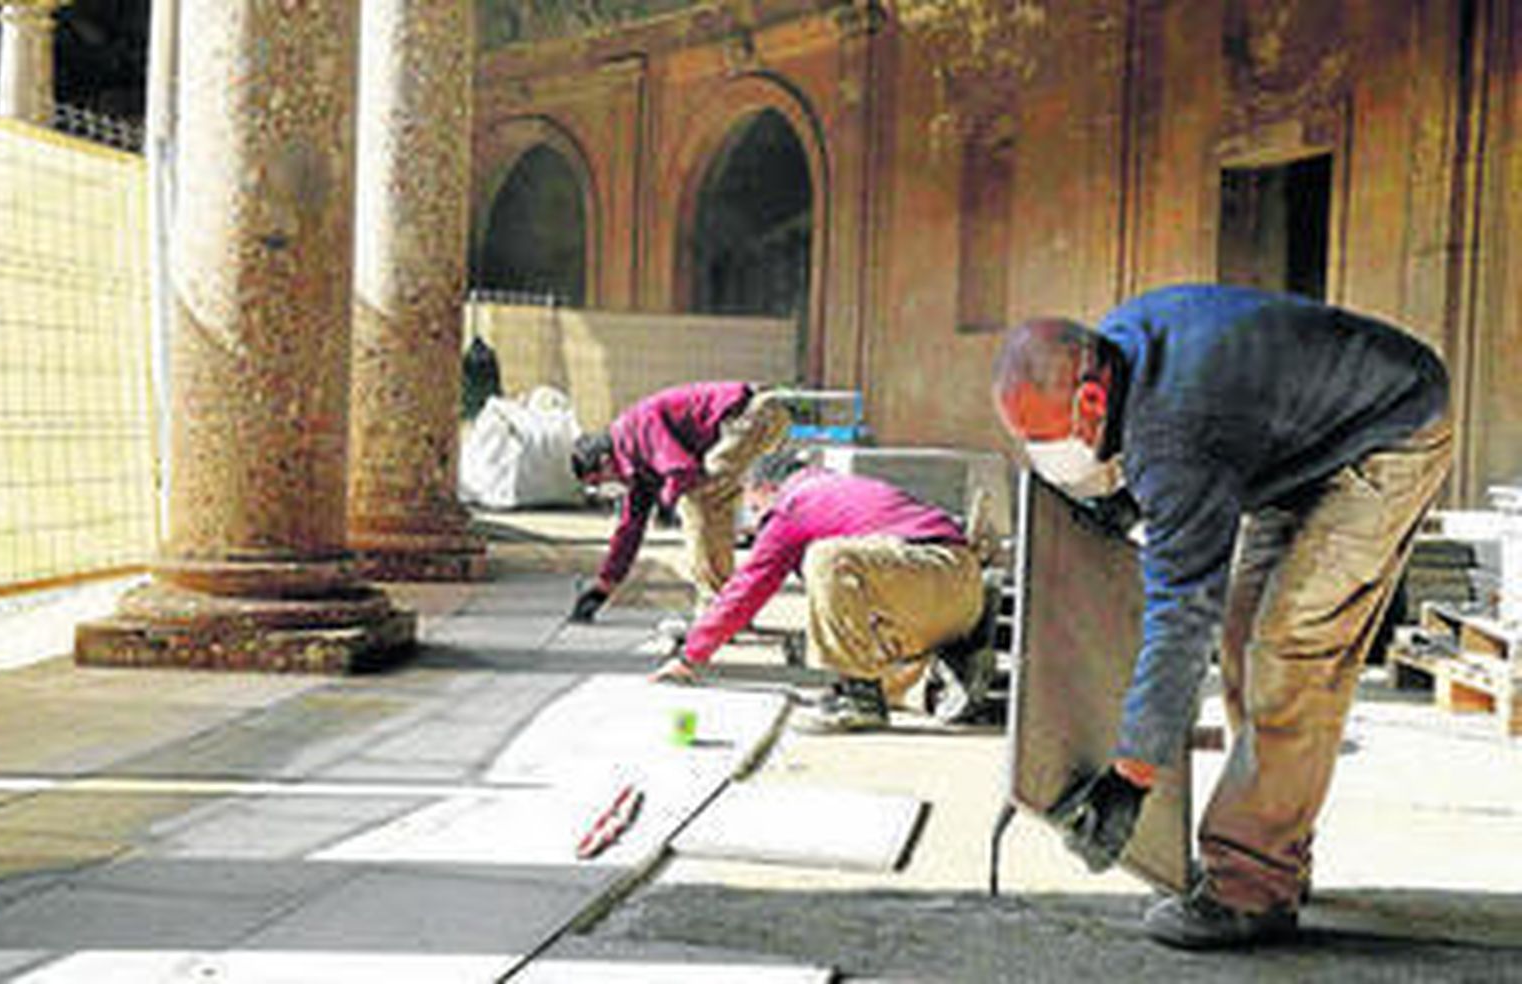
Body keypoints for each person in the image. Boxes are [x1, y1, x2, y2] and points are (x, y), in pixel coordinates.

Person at [990, 284, 1451, 948]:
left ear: (1092, 400)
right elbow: (1182, 469)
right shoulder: (1117, 347)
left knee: (1293, 651)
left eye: (1045, 437)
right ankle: (1275, 845)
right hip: (1299, 449)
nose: (1045, 454)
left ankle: (1250, 887)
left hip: (1390, 431)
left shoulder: (1176, 429)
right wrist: (1133, 499)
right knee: (1243, 638)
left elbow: (1181, 616)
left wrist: (1131, 774)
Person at [651, 450, 986, 733]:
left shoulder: (792, 504)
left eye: (754, 508)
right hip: (962, 590)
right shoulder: (841, 489)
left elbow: (749, 587)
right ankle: (939, 680)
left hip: (926, 576)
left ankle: (859, 703)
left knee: (826, 559)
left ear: (767, 489)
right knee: (863, 656)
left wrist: (690, 655)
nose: (756, 522)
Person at [568, 381, 790, 622]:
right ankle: (727, 608)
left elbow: (682, 470)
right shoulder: (634, 465)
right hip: (747, 421)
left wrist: (667, 502)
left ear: (604, 461)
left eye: (599, 481)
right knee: (713, 511)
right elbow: (630, 528)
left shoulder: (636, 429)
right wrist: (603, 588)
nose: (604, 487)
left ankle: (717, 612)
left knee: (699, 502)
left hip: (754, 413)